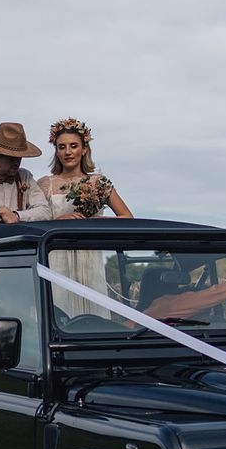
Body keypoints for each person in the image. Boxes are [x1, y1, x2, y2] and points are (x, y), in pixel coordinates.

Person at [37, 117, 132, 317]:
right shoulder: (46, 184)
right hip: (55, 258)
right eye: (62, 147)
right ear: (56, 150)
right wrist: (57, 223)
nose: (68, 152)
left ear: (84, 148)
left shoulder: (98, 183)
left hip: (90, 259)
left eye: (73, 146)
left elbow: (127, 218)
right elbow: (34, 223)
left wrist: (97, 224)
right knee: (57, 310)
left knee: (94, 311)